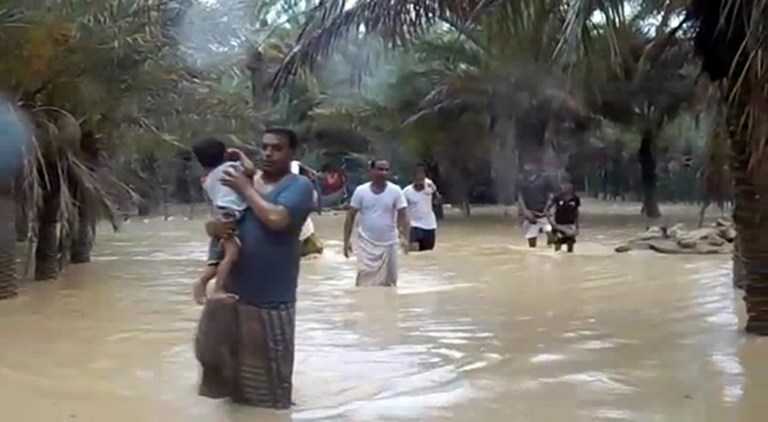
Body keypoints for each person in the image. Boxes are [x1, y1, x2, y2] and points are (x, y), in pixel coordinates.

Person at [194, 127, 314, 409]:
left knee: (271, 393)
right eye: (265, 147)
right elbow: (216, 219)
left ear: (292, 153)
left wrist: (246, 190)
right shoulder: (244, 180)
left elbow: (277, 219)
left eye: (277, 148)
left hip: (272, 303)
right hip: (234, 299)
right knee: (231, 389)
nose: (269, 153)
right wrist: (213, 227)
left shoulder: (298, 186)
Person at [192, 139, 255, 304]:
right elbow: (250, 169)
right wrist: (240, 155)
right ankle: (217, 289)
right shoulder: (231, 168)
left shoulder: (207, 180)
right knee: (232, 254)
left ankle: (202, 283)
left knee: (217, 258)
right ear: (225, 154)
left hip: (218, 215)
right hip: (229, 215)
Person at [343, 160, 409, 286]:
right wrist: (346, 241)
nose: (383, 173)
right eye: (379, 169)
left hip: (389, 243)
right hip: (366, 244)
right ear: (371, 171)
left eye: (386, 170)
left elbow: (404, 215)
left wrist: (406, 237)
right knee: (363, 282)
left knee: (390, 284)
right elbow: (350, 216)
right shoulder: (360, 191)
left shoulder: (396, 191)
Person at [517, 158, 560, 248]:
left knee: (551, 233)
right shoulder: (521, 179)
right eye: (526, 165)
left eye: (530, 165)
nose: (528, 167)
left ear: (537, 166)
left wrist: (549, 208)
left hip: (544, 212)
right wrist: (525, 211)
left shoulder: (545, 178)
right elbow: (519, 196)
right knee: (531, 238)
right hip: (529, 213)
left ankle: (551, 253)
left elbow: (553, 194)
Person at [402, 166, 440, 251]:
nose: (420, 180)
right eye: (417, 178)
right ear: (413, 178)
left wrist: (434, 191)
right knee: (414, 250)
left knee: (427, 253)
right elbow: (402, 210)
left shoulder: (429, 189)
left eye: (422, 178)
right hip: (413, 225)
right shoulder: (406, 192)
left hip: (429, 225)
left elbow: (437, 202)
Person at [546, 182, 581, 253]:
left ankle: (570, 257)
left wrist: (577, 225)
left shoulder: (575, 198)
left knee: (570, 242)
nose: (565, 188)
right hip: (559, 223)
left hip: (570, 224)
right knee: (558, 242)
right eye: (564, 186)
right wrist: (550, 221)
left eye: (567, 187)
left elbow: (576, 211)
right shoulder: (557, 197)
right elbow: (547, 209)